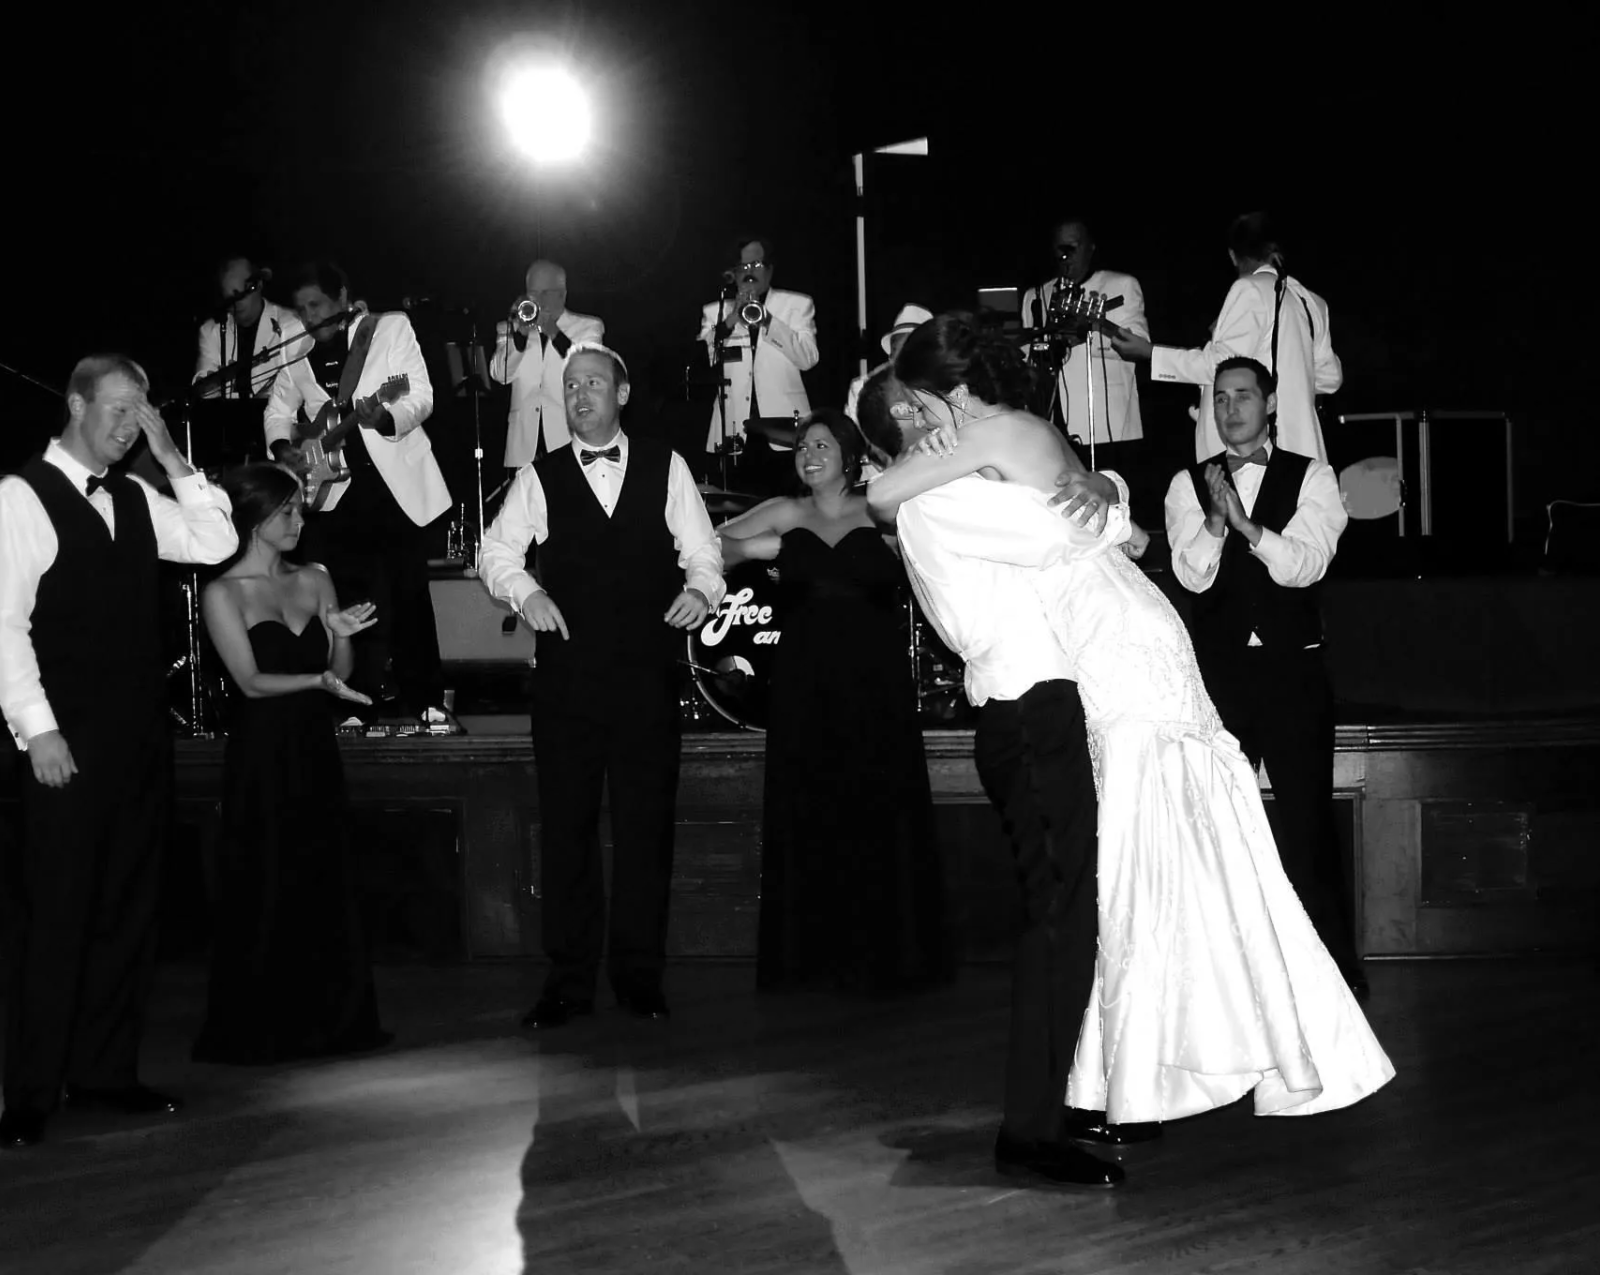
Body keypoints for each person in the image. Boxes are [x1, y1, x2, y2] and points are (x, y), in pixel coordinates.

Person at [864, 313, 1392, 1137]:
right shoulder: (1017, 431)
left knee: (1137, 859)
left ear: (952, 395)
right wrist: (1113, 497)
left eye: (922, 402)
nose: (922, 419)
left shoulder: (981, 434)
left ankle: (1141, 1076)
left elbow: (880, 496)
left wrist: (1104, 503)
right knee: (1163, 852)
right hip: (1131, 626)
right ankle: (1160, 1066)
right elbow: (1094, 504)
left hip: (1112, 642)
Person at [852, 349, 1135, 1190]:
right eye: (937, 399)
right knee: (1059, 922)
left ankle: (1060, 1103)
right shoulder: (935, 495)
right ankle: (1031, 1127)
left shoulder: (940, 488)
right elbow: (1061, 528)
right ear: (911, 419)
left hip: (1036, 713)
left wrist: (1103, 483)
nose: (959, 408)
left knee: (1070, 916)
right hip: (1029, 713)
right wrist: (1113, 504)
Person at [0, 354, 238, 1149]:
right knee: (56, 913)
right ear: (75, 403)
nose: (129, 426)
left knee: (128, 907)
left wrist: (174, 457)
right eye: (117, 410)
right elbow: (5, 626)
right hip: (65, 737)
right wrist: (38, 729)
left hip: (136, 736)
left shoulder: (135, 494)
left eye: (140, 412)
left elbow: (216, 539)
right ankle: (30, 1093)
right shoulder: (19, 497)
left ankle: (105, 1072)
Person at [479, 344, 724, 1027]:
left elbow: (704, 551)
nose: (580, 394)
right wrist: (526, 592)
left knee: (646, 828)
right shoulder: (541, 474)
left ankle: (640, 977)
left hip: (647, 676)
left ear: (622, 393)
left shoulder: (667, 465)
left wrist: (702, 589)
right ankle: (568, 981)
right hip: (568, 683)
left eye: (592, 382)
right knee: (567, 829)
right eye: (570, 386)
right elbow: (495, 551)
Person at [717, 410, 949, 994]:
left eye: (822, 445)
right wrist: (762, 547)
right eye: (802, 447)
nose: (809, 454)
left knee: (879, 804)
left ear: (849, 455)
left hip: (877, 685)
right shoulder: (785, 510)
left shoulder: (881, 505)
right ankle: (811, 959)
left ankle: (891, 956)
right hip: (804, 685)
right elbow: (710, 545)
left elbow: (943, 548)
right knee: (810, 806)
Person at [1164, 357, 1363, 995]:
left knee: (1306, 823)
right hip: (1218, 677)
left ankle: (1331, 974)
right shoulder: (1186, 484)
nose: (1231, 409)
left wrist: (1248, 527)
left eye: (1244, 395)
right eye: (1220, 398)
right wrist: (1216, 522)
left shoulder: (1315, 477)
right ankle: (1215, 977)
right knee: (1213, 824)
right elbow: (1192, 576)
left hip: (1292, 670)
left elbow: (1305, 565)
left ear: (1270, 403)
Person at [194, 464, 391, 1064]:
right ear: (255, 518)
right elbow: (251, 683)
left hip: (313, 747)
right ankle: (263, 1024)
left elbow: (342, 672)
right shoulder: (222, 592)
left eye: (299, 509)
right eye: (288, 511)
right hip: (260, 752)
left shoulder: (316, 577)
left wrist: (341, 634)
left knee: (322, 874)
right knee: (265, 877)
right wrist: (317, 681)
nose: (300, 520)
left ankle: (334, 1018)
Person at [264, 261, 451, 721]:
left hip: (393, 487)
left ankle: (425, 701)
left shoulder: (388, 329)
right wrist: (285, 449)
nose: (310, 317)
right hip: (333, 493)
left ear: (343, 298)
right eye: (302, 309)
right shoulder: (296, 350)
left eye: (317, 305)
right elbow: (277, 410)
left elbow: (420, 395)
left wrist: (385, 418)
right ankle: (357, 704)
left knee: (408, 595)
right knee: (348, 600)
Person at [1143, 212, 1342, 464]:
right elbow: (1330, 378)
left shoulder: (1248, 289)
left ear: (1233, 255)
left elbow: (1219, 364)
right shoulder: (1312, 302)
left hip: (1256, 446)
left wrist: (1150, 353)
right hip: (1303, 447)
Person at [699, 237, 818, 491]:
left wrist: (768, 321)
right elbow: (704, 361)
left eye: (756, 265)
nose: (749, 272)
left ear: (770, 269)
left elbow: (807, 359)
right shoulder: (714, 312)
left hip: (784, 431)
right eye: (742, 267)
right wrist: (731, 320)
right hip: (734, 431)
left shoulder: (796, 304)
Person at [1020, 219, 1150, 447]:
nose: (1065, 253)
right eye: (1060, 247)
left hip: (1105, 425)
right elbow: (1026, 360)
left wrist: (1087, 336)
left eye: (1072, 246)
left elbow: (1139, 345)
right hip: (1049, 425)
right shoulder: (1036, 295)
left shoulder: (1121, 285)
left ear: (1090, 248)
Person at [491, 259, 606, 468]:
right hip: (523, 446)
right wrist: (520, 334)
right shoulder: (510, 329)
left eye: (546, 293)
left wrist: (553, 332)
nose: (538, 299)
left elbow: (587, 369)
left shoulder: (588, 327)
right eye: (533, 293)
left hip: (568, 439)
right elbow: (500, 374)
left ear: (563, 294)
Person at [192, 256, 304, 401]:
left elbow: (297, 386)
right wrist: (208, 386)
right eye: (230, 298)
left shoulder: (290, 324)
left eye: (241, 294)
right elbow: (204, 386)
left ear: (259, 285)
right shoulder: (211, 331)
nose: (236, 303)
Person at [844, 303, 933, 416]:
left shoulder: (947, 388)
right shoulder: (862, 389)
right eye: (897, 347)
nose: (903, 356)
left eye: (910, 347)